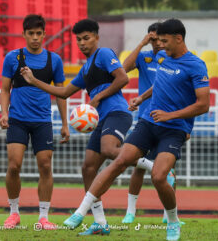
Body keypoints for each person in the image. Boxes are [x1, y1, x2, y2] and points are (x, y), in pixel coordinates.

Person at [62, 18, 210, 241]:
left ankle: (172, 220)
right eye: (158, 40)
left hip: (174, 129)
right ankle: (80, 212)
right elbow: (159, 82)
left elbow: (203, 104)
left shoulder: (196, 65)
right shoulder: (164, 59)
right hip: (148, 123)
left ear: (178, 39)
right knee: (120, 160)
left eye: (164, 41)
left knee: (159, 177)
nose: (160, 45)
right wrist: (141, 97)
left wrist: (171, 115)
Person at [20, 18, 133, 236]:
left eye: (87, 38)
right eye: (79, 39)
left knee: (110, 150)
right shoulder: (85, 68)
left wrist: (98, 96)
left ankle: (149, 164)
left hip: (118, 113)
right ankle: (100, 222)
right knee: (88, 168)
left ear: (97, 38)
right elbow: (63, 92)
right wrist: (34, 81)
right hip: (101, 119)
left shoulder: (104, 54)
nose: (82, 43)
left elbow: (123, 78)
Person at [0, 14, 70, 230]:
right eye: (31, 34)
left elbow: (61, 93)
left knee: (46, 166)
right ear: (24, 34)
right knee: (14, 165)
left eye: (39, 34)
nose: (35, 38)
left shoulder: (54, 60)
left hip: (42, 121)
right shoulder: (12, 58)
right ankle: (13, 213)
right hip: (17, 119)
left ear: (44, 34)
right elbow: (4, 89)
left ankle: (44, 216)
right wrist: (4, 113)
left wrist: (65, 123)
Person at [121, 22, 176, 224]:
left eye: (160, 39)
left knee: (169, 169)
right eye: (153, 39)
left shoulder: (171, 59)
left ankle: (168, 216)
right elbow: (124, 68)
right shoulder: (144, 58)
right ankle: (130, 212)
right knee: (138, 168)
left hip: (167, 119)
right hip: (145, 119)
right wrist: (142, 42)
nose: (157, 43)